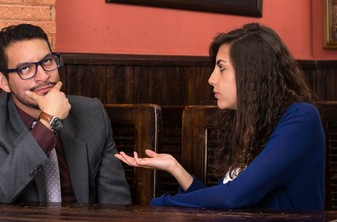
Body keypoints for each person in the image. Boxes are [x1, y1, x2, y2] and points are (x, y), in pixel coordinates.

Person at [115, 23, 325, 210]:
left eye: (221, 68)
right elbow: (223, 202)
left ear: (251, 74)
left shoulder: (301, 118)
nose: (211, 79)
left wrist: (158, 204)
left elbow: (232, 198)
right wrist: (175, 168)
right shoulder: (246, 121)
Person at [0, 24, 131, 205]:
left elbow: (116, 202)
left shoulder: (92, 112)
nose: (43, 76)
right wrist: (48, 121)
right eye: (25, 68)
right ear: (3, 82)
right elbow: (0, 189)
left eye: (47, 61)